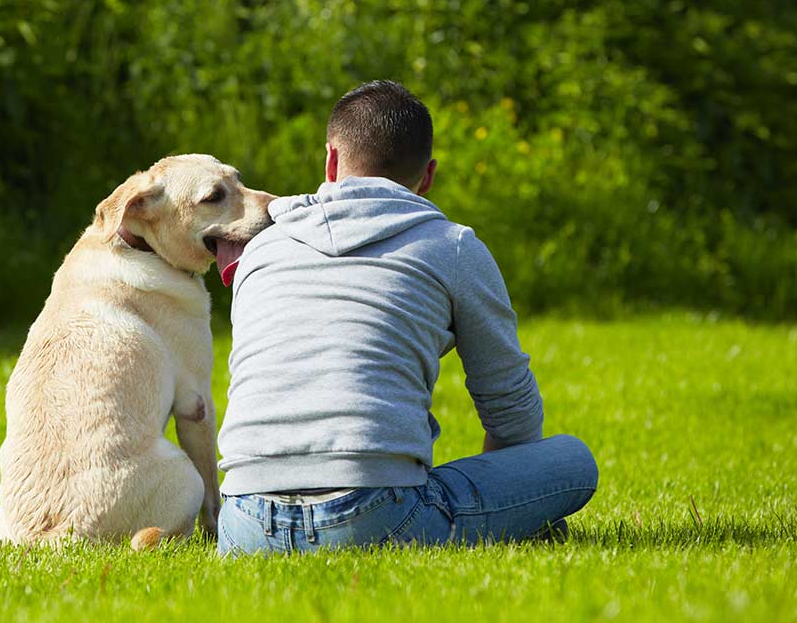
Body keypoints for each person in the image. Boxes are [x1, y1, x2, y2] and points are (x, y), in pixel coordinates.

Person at [215, 80, 597, 555]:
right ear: (429, 175)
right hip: (377, 516)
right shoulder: (451, 247)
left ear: (331, 161)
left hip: (242, 524)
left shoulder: (261, 249)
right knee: (574, 462)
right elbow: (512, 412)